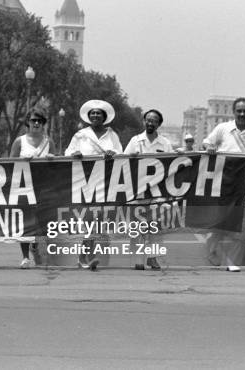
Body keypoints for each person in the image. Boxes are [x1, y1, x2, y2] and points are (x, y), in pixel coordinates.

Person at [202, 97, 245, 272]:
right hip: (222, 183)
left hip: (244, 185)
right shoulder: (222, 128)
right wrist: (210, 148)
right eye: (239, 110)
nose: (242, 114)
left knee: (240, 226)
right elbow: (207, 142)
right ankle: (211, 251)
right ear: (233, 112)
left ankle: (232, 261)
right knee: (216, 224)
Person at [64, 99, 123, 271]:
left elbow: (121, 152)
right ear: (88, 116)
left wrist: (113, 153)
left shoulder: (112, 135)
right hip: (84, 181)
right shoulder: (80, 135)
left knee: (98, 220)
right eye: (93, 113)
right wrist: (74, 154)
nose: (95, 115)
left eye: (99, 113)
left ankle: (85, 256)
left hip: (106, 180)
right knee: (90, 218)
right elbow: (68, 152)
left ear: (104, 117)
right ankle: (88, 256)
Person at [124, 109, 173, 270]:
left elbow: (173, 164)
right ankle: (138, 260)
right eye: (148, 120)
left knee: (155, 226)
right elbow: (122, 162)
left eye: (154, 121)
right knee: (137, 226)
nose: (150, 123)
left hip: (158, 190)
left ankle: (153, 258)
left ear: (159, 124)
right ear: (144, 121)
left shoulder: (165, 143)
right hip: (137, 189)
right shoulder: (135, 141)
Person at [10, 106, 56, 269]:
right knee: (25, 221)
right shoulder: (19, 141)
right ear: (27, 122)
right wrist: (22, 160)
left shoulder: (48, 141)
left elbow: (56, 165)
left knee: (43, 222)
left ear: (43, 123)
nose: (36, 123)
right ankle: (24, 257)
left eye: (39, 121)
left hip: (43, 187)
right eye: (33, 120)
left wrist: (52, 159)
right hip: (24, 186)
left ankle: (36, 243)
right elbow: (9, 164)